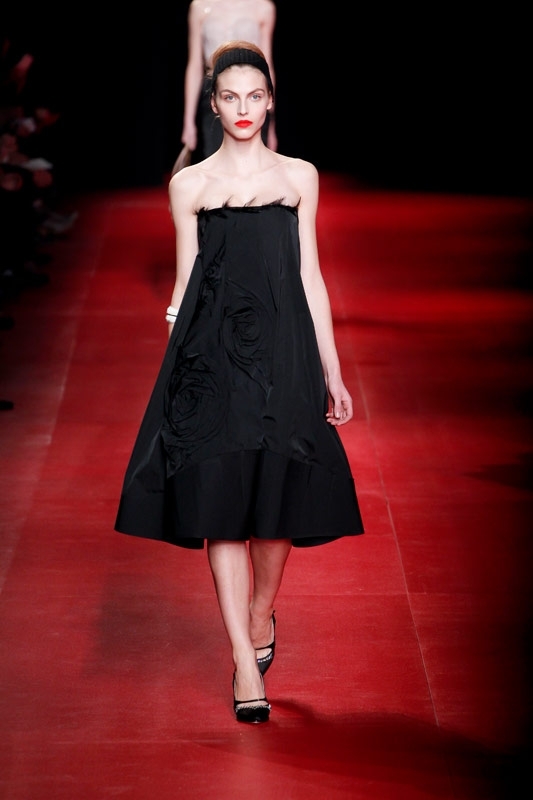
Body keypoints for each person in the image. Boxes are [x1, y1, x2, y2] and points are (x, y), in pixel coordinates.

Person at [115, 41, 364, 724]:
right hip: (210, 360)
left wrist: (332, 370)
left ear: (270, 99)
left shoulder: (299, 177)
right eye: (231, 97)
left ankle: (260, 612)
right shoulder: (189, 185)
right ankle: (241, 661)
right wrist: (175, 367)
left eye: (255, 95)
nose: (243, 108)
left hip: (284, 353)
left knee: (278, 500)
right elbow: (183, 283)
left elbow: (310, 275)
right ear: (214, 104)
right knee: (219, 504)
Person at [180, 0, 277, 162]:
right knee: (215, 156)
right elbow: (195, 65)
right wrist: (188, 122)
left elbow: (267, 65)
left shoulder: (263, 7)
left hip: (252, 89)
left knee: (254, 160)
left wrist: (272, 122)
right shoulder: (200, 7)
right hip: (215, 88)